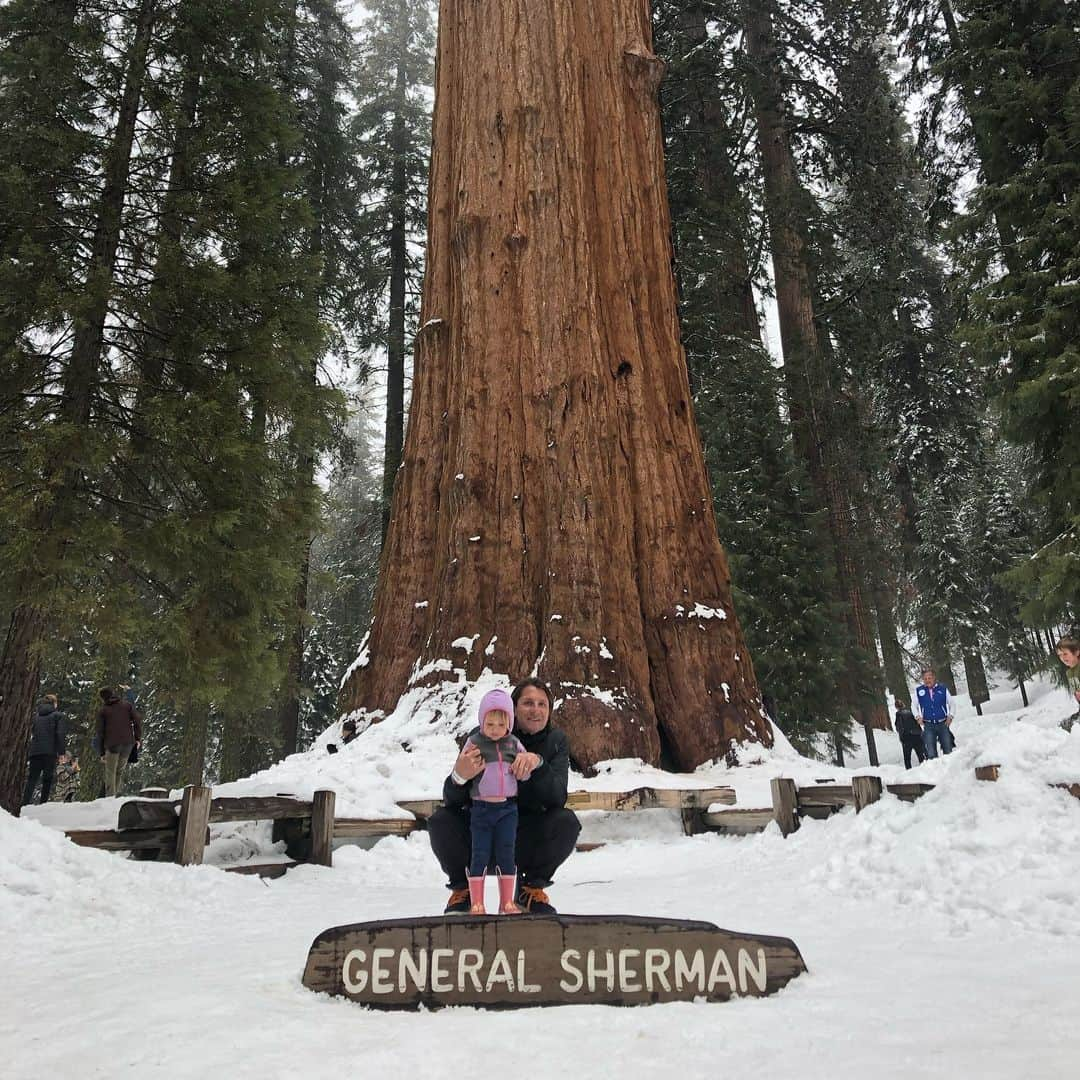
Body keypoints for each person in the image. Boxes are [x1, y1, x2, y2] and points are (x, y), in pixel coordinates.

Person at [428, 678, 580, 915]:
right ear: (513, 709)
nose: (536, 710)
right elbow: (452, 800)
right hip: (481, 830)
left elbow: (557, 798)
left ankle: (529, 889)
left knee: (566, 821)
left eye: (542, 704)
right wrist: (460, 775)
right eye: (528, 703)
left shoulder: (556, 741)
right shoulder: (481, 737)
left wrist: (538, 764)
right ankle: (464, 891)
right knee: (440, 820)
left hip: (523, 838)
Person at [462, 688, 529, 915]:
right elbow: (462, 768)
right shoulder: (474, 742)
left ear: (509, 723)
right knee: (479, 852)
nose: (495, 730)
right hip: (481, 808)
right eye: (490, 724)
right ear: (482, 721)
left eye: (501, 725)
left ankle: (506, 902)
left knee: (506, 852)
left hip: (507, 809)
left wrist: (523, 767)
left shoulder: (513, 744)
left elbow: (526, 772)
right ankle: (477, 902)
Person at [96, 686, 143, 797]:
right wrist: (137, 738)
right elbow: (137, 721)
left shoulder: (103, 711)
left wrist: (102, 752)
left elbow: (100, 733)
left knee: (110, 772)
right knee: (119, 771)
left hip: (112, 745)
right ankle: (114, 796)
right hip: (128, 744)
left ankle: (110, 798)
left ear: (103, 698)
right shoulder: (127, 706)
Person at [22, 693, 67, 805]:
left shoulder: (36, 717)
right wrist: (61, 753)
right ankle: (43, 803)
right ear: (54, 703)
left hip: (35, 751)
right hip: (50, 752)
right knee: (47, 779)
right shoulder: (58, 716)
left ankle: (24, 803)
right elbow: (60, 734)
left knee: (32, 779)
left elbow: (32, 732)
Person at [914, 668, 954, 758]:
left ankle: (950, 769)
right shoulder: (919, 691)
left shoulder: (943, 689)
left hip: (943, 724)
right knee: (931, 752)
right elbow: (913, 705)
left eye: (929, 678)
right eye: (925, 678)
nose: (927, 680)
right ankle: (935, 771)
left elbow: (952, 704)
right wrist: (918, 717)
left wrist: (950, 716)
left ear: (934, 678)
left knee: (948, 750)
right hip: (928, 725)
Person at [893, 697, 926, 769]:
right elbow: (917, 723)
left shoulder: (898, 714)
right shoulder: (910, 712)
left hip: (907, 738)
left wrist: (902, 738)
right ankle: (925, 770)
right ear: (903, 705)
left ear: (896, 707)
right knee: (921, 755)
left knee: (907, 758)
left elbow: (899, 727)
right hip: (917, 736)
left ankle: (909, 773)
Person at [1057, 636, 1080, 727]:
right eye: (1059, 655)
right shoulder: (1069, 673)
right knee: (1064, 726)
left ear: (1077, 652)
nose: (1062, 657)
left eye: (1065, 654)